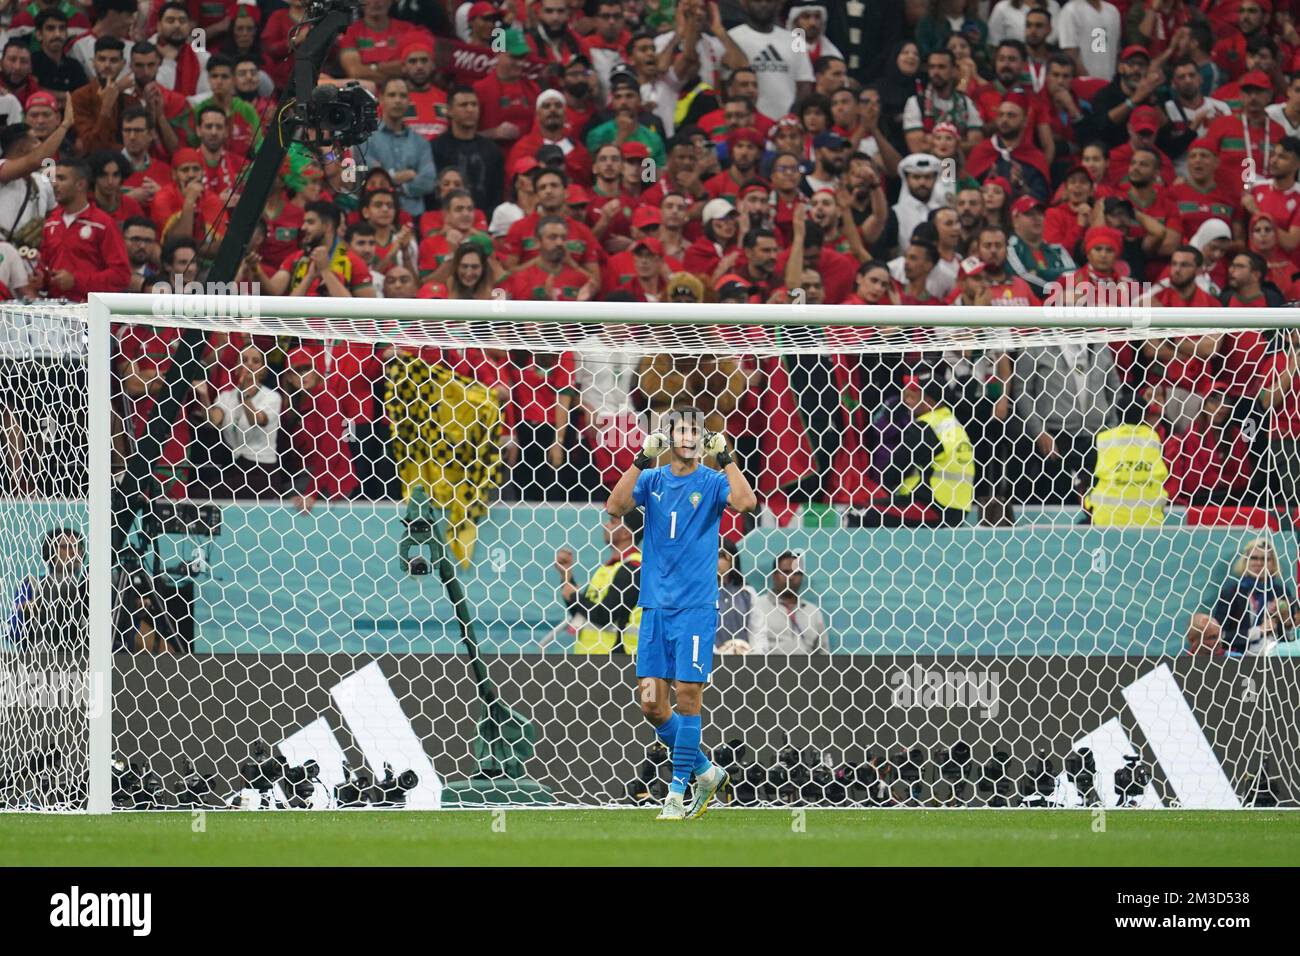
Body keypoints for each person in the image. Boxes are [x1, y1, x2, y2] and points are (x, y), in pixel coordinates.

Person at [605, 404, 757, 820]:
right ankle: (706, 771)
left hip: (694, 607)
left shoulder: (711, 481)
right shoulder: (651, 478)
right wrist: (639, 459)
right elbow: (615, 507)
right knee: (652, 704)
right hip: (655, 607)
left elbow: (746, 502)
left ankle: (677, 791)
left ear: (703, 439)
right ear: (667, 438)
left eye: (696, 431)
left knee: (688, 698)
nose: (688, 437)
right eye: (680, 431)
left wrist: (726, 457)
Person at [1187, 538, 1296, 656]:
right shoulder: (1231, 593)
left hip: (1276, 657)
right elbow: (1221, 636)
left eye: (1265, 559)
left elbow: (1291, 640)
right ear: (1245, 561)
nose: (1259, 563)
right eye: (1254, 558)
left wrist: (1287, 622)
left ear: (1273, 563)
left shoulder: (1281, 591)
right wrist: (1258, 631)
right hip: (1240, 659)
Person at [554, 509, 643, 655]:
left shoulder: (633, 568)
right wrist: (567, 577)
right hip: (593, 657)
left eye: (612, 522)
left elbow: (605, 615)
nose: (605, 525)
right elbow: (583, 612)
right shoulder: (609, 568)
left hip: (616, 659)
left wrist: (574, 596)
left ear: (626, 533)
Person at [1081, 390, 1169, 526]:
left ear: (1117, 414)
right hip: (1150, 523)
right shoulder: (1153, 439)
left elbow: (1088, 478)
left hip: (1105, 522)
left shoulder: (1103, 439)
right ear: (1145, 415)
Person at [7, 527, 86, 650]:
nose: (74, 552)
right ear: (50, 552)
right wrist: (26, 613)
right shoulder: (33, 585)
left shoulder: (89, 587)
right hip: (43, 662)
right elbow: (13, 633)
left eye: (78, 547)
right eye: (66, 547)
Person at [749, 549, 830, 654]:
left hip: (808, 669)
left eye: (797, 573)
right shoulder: (757, 607)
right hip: (769, 669)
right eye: (786, 572)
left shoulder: (813, 612)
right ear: (774, 575)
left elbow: (824, 654)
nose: (791, 577)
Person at [716, 539, 757, 654]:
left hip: (745, 659)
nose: (714, 560)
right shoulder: (701, 594)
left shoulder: (747, 592)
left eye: (720, 556)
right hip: (711, 660)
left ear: (733, 560)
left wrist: (754, 655)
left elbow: (758, 631)